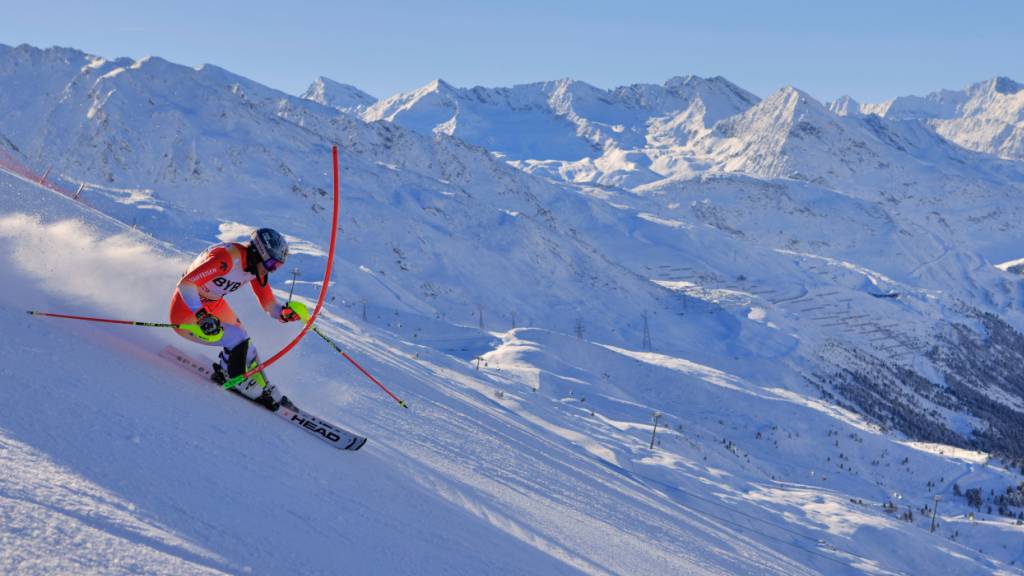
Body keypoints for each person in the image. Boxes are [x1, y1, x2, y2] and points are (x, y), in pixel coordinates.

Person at [169, 227, 303, 411]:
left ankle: (265, 389)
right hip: (186, 309)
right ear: (259, 252)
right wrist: (201, 315)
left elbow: (269, 304)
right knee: (236, 337)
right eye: (272, 264)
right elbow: (186, 284)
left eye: (277, 267)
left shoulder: (256, 269)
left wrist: (283, 313)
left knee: (245, 343)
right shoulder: (227, 259)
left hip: (213, 305)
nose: (271, 270)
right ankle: (232, 376)